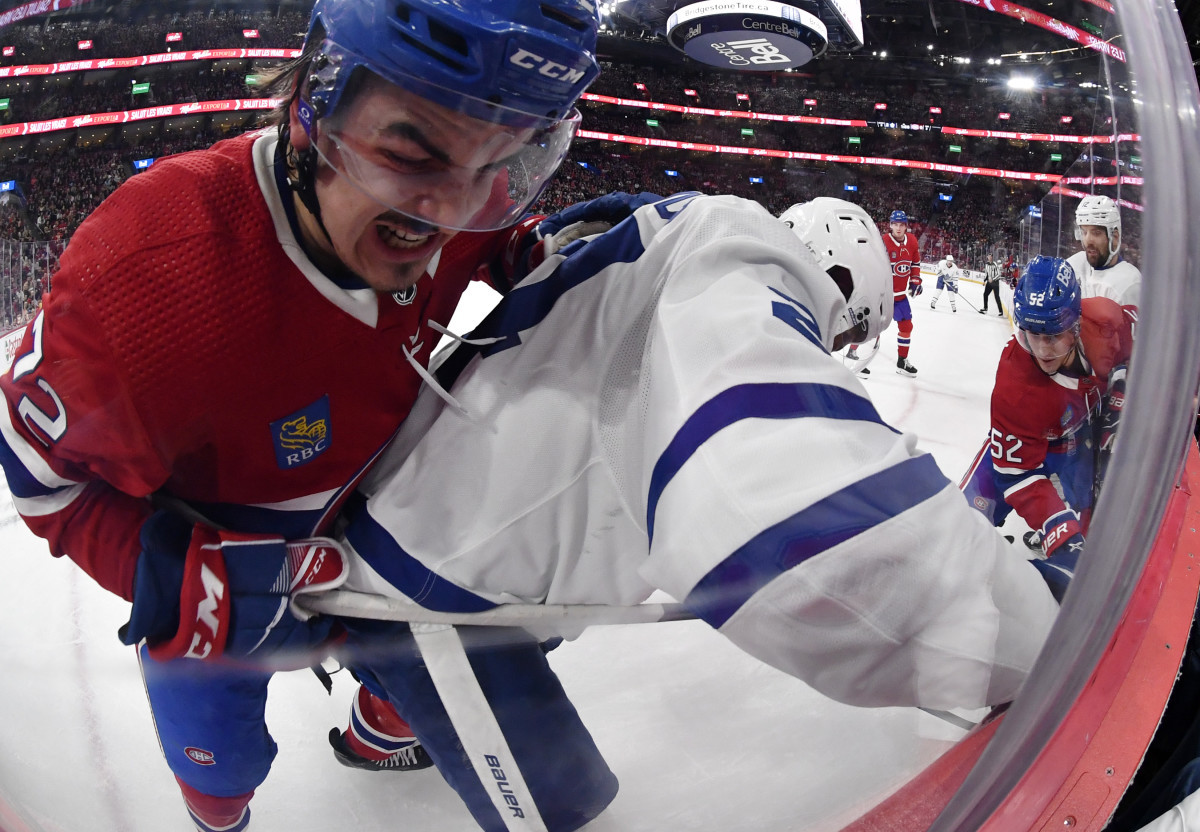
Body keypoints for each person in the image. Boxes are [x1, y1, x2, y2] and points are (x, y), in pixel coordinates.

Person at [0, 1, 616, 830]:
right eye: (409, 152)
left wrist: (546, 251)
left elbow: (488, 232)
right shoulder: (146, 282)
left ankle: (376, 725)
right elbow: (38, 477)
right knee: (220, 774)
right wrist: (173, 574)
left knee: (535, 696)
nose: (448, 210)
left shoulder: (457, 191)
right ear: (309, 111)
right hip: (232, 555)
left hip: (381, 526)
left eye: (499, 160)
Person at [301, 194, 1062, 829]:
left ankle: (383, 718)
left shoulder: (681, 230)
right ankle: (395, 696)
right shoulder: (736, 263)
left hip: (419, 525)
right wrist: (1034, 634)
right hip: (429, 589)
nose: (835, 347)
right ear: (835, 279)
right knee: (568, 806)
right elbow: (792, 526)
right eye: (846, 327)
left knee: (556, 598)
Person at [959, 256, 1132, 601]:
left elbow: (1146, 348)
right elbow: (1016, 474)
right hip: (1025, 446)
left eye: (1053, 334)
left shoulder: (1107, 320)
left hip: (1078, 440)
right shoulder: (1014, 387)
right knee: (961, 529)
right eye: (1032, 333)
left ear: (1077, 324)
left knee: (1090, 527)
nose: (1042, 350)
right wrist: (1061, 534)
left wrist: (1121, 393)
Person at [1066, 194, 1142, 310]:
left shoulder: (1129, 283)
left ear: (1115, 237)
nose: (1088, 240)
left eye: (1096, 233)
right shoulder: (1075, 264)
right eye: (1084, 232)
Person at [882, 209, 922, 376]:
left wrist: (915, 281)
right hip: (881, 295)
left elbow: (915, 262)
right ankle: (857, 357)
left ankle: (902, 361)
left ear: (906, 227)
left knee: (907, 326)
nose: (898, 228)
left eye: (901, 225)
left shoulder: (912, 241)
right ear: (890, 225)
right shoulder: (882, 241)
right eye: (895, 224)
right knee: (872, 328)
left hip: (899, 296)